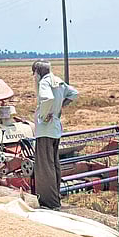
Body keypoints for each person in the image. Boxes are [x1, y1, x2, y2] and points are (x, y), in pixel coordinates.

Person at [32, 60, 78, 210]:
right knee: (53, 164)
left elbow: (48, 99)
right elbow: (74, 93)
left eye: (34, 73)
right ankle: (55, 197)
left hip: (45, 130)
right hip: (55, 129)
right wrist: (59, 107)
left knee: (44, 166)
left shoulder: (44, 83)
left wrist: (44, 115)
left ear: (38, 72)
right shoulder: (58, 81)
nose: (34, 77)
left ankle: (48, 201)